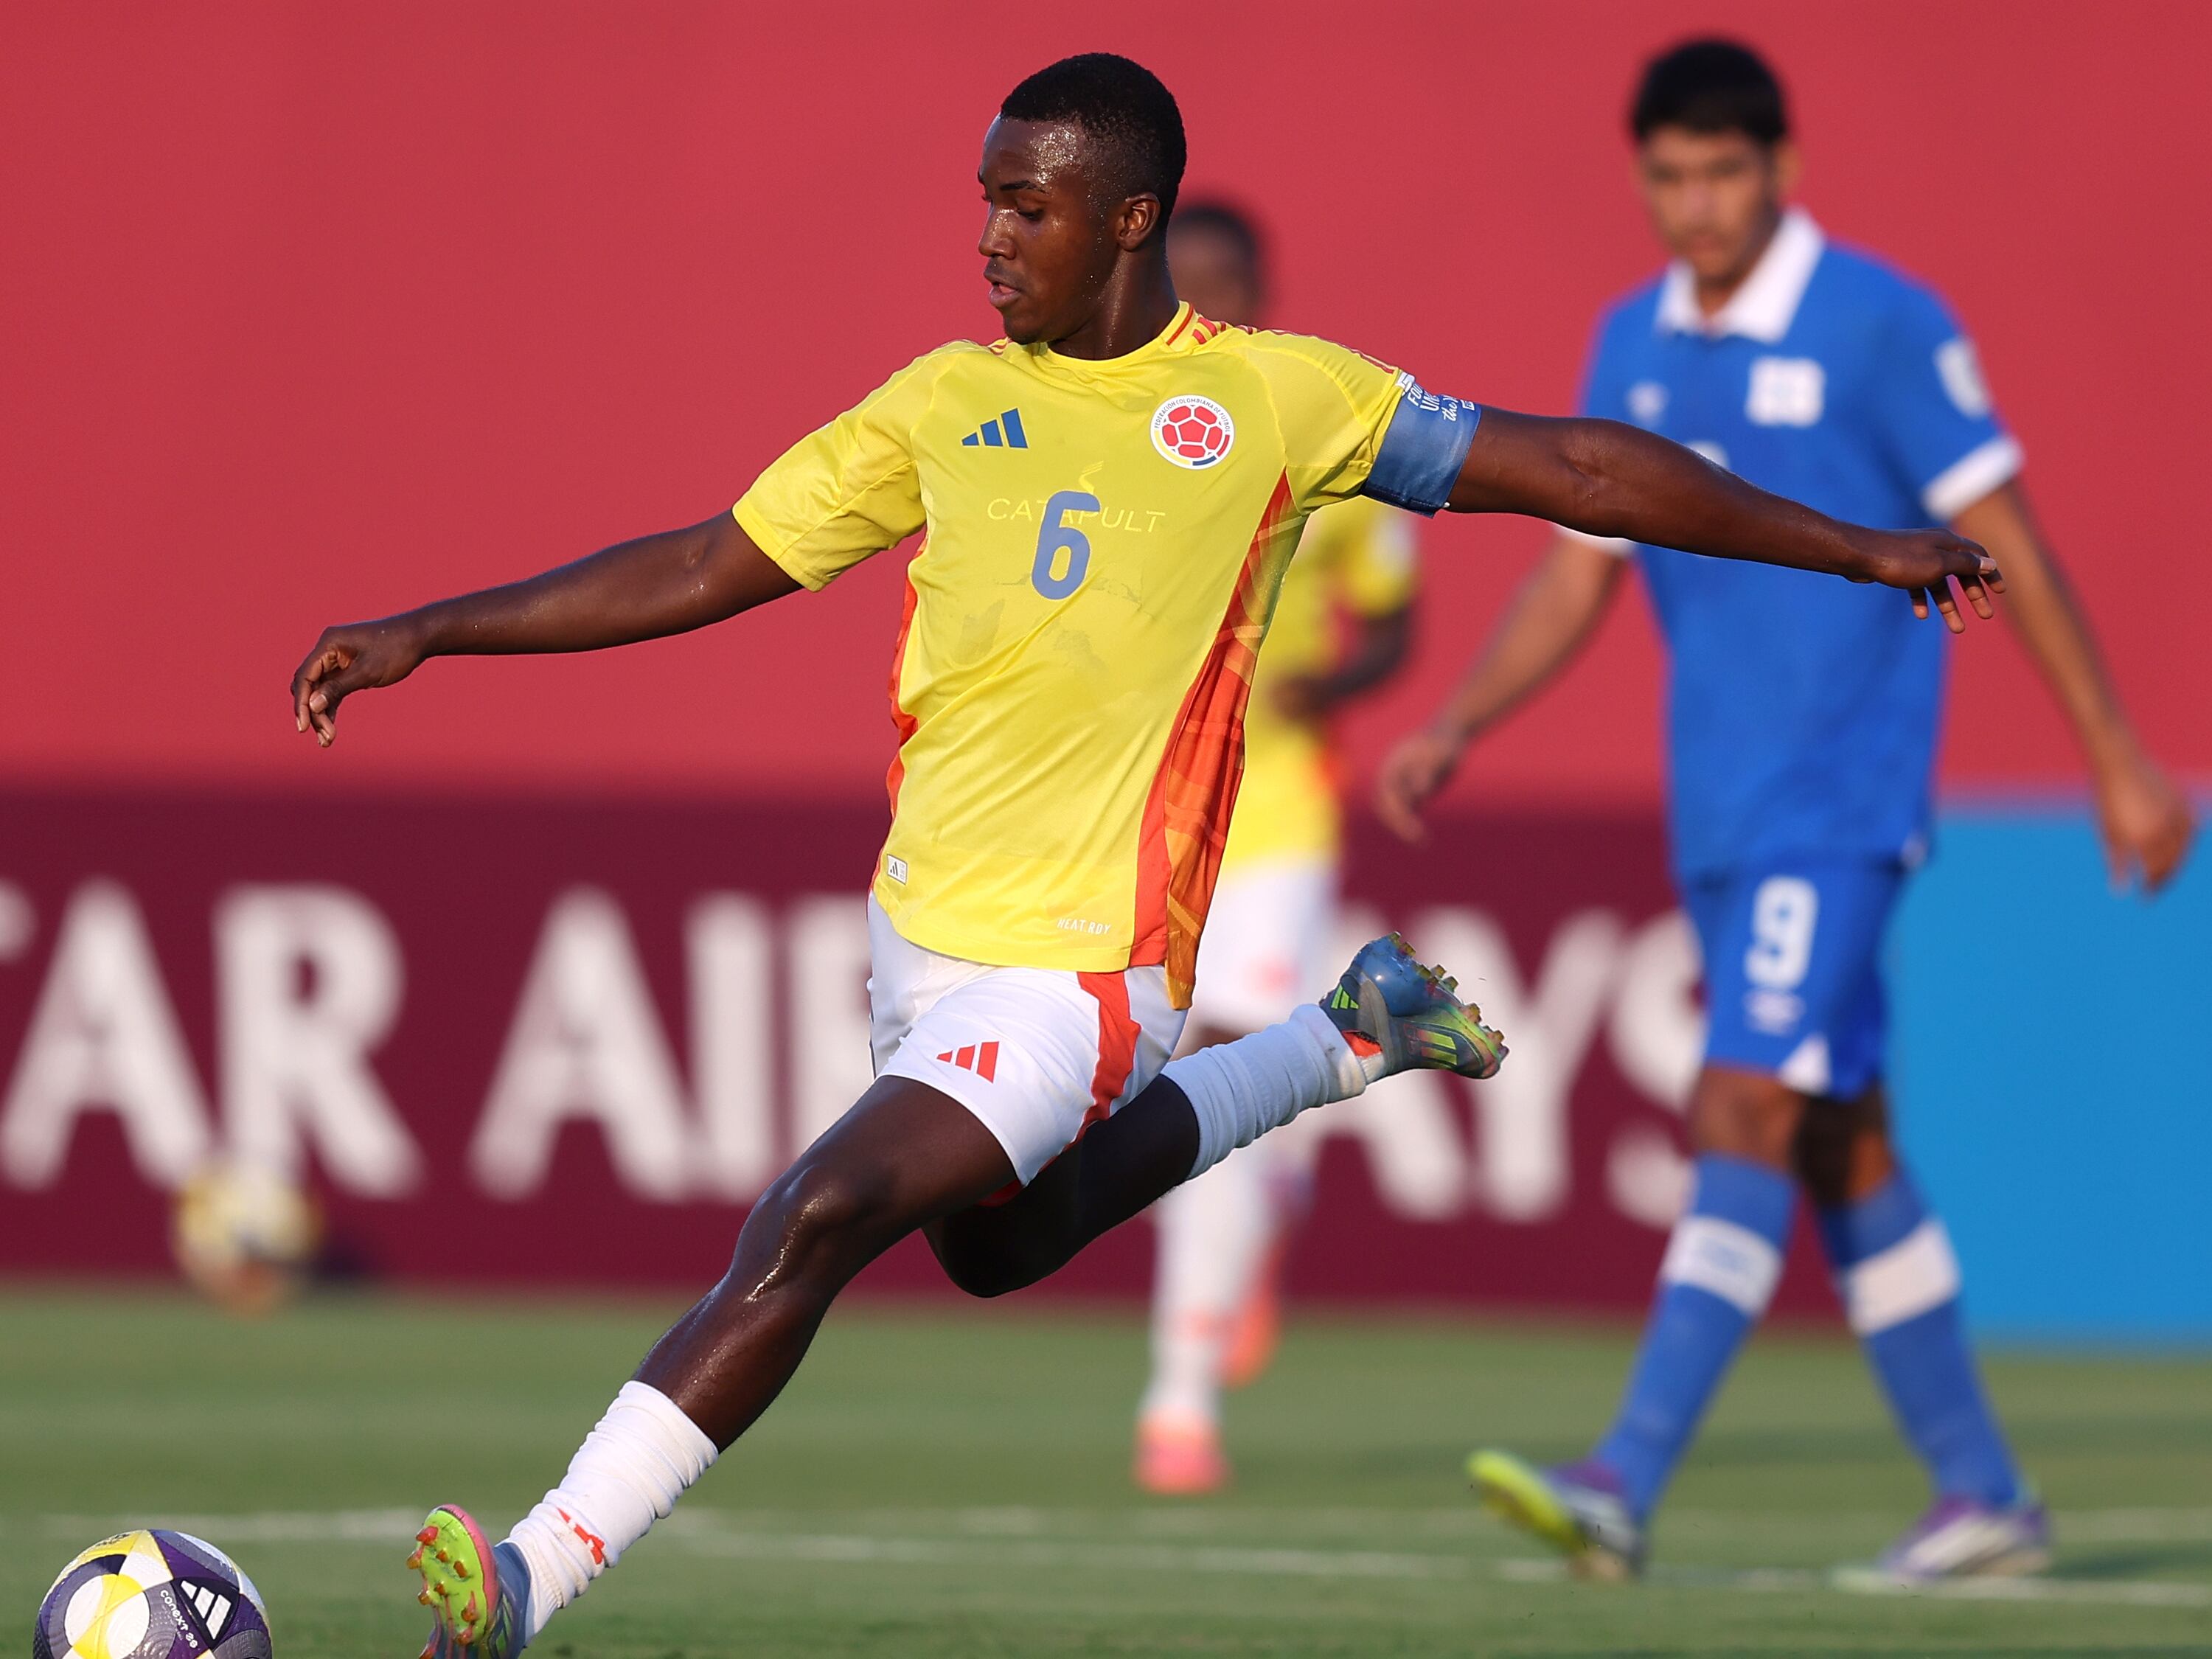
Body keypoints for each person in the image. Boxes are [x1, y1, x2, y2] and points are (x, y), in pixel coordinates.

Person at [288, 54, 2000, 1656]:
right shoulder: (942, 402)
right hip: (921, 947)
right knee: (995, 1250)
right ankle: (1338, 1042)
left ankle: (531, 1576)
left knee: (816, 1214)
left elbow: (1576, 468)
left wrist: (1853, 547)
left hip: (1085, 971)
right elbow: (699, 564)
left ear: (1128, 218)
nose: (989, 237)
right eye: (985, 200)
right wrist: (433, 628)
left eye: (1025, 206)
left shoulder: (1273, 399)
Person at [1377, 39, 2194, 1585]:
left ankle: (1624, 1477)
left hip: (1840, 798)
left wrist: (2115, 755)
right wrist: (1461, 721)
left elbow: (2005, 536)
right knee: (1838, 1142)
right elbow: (1577, 573)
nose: (1698, 204)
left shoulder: (1880, 321)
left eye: (1724, 173)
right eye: (1670, 177)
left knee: (1743, 1102)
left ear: (1782, 169)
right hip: (1725, 807)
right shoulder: (1632, 342)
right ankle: (1984, 1493)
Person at [1131, 201, 1422, 1495]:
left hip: (1280, 809)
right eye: (1184, 286)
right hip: (1153, 816)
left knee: (1217, 1062)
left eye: (1227, 286)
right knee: (1202, 1090)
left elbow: (1395, 619)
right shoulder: (1123, 436)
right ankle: (1276, 1183)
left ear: (1264, 290)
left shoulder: (1322, 433)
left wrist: (1336, 683)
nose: (1207, 311)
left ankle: (1178, 1404)